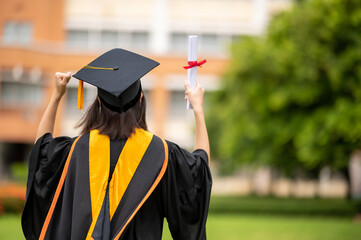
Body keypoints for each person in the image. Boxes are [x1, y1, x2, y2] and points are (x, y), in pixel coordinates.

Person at [21, 48, 212, 240]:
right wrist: (198, 109)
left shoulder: (76, 150)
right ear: (140, 100)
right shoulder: (161, 153)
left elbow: (42, 152)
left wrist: (57, 95)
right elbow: (199, 170)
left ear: (99, 103)